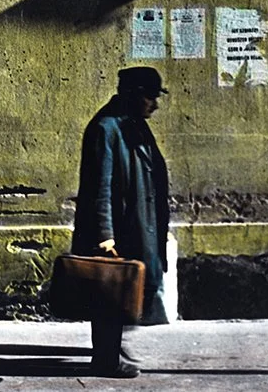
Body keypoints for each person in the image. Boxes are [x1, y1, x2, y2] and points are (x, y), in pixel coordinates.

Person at [72, 67, 171, 378]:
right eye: (149, 96)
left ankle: (110, 351)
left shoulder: (133, 125)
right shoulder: (106, 128)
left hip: (136, 224)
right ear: (132, 94)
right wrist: (105, 235)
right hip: (118, 230)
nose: (154, 103)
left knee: (120, 294)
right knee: (110, 294)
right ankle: (106, 359)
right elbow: (98, 187)